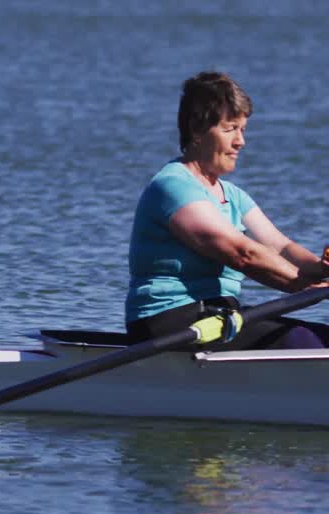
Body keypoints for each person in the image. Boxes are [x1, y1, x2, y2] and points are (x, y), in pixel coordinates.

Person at [125, 71, 329, 349]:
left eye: (243, 129)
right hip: (168, 319)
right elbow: (241, 253)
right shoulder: (172, 187)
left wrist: (319, 269)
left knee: (322, 337)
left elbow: (280, 246)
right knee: (306, 341)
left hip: (220, 316)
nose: (240, 141)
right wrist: (305, 287)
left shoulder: (234, 196)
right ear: (196, 130)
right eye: (230, 128)